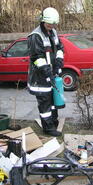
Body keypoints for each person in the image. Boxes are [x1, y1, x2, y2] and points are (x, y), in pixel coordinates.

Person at [27, 7, 64, 136]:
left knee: (53, 102)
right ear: (43, 21)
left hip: (51, 74)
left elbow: (59, 48)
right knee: (45, 104)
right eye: (49, 24)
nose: (51, 26)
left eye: (53, 24)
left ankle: (54, 122)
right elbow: (37, 58)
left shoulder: (53, 32)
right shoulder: (35, 36)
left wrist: (59, 63)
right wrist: (47, 72)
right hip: (40, 78)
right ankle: (48, 129)